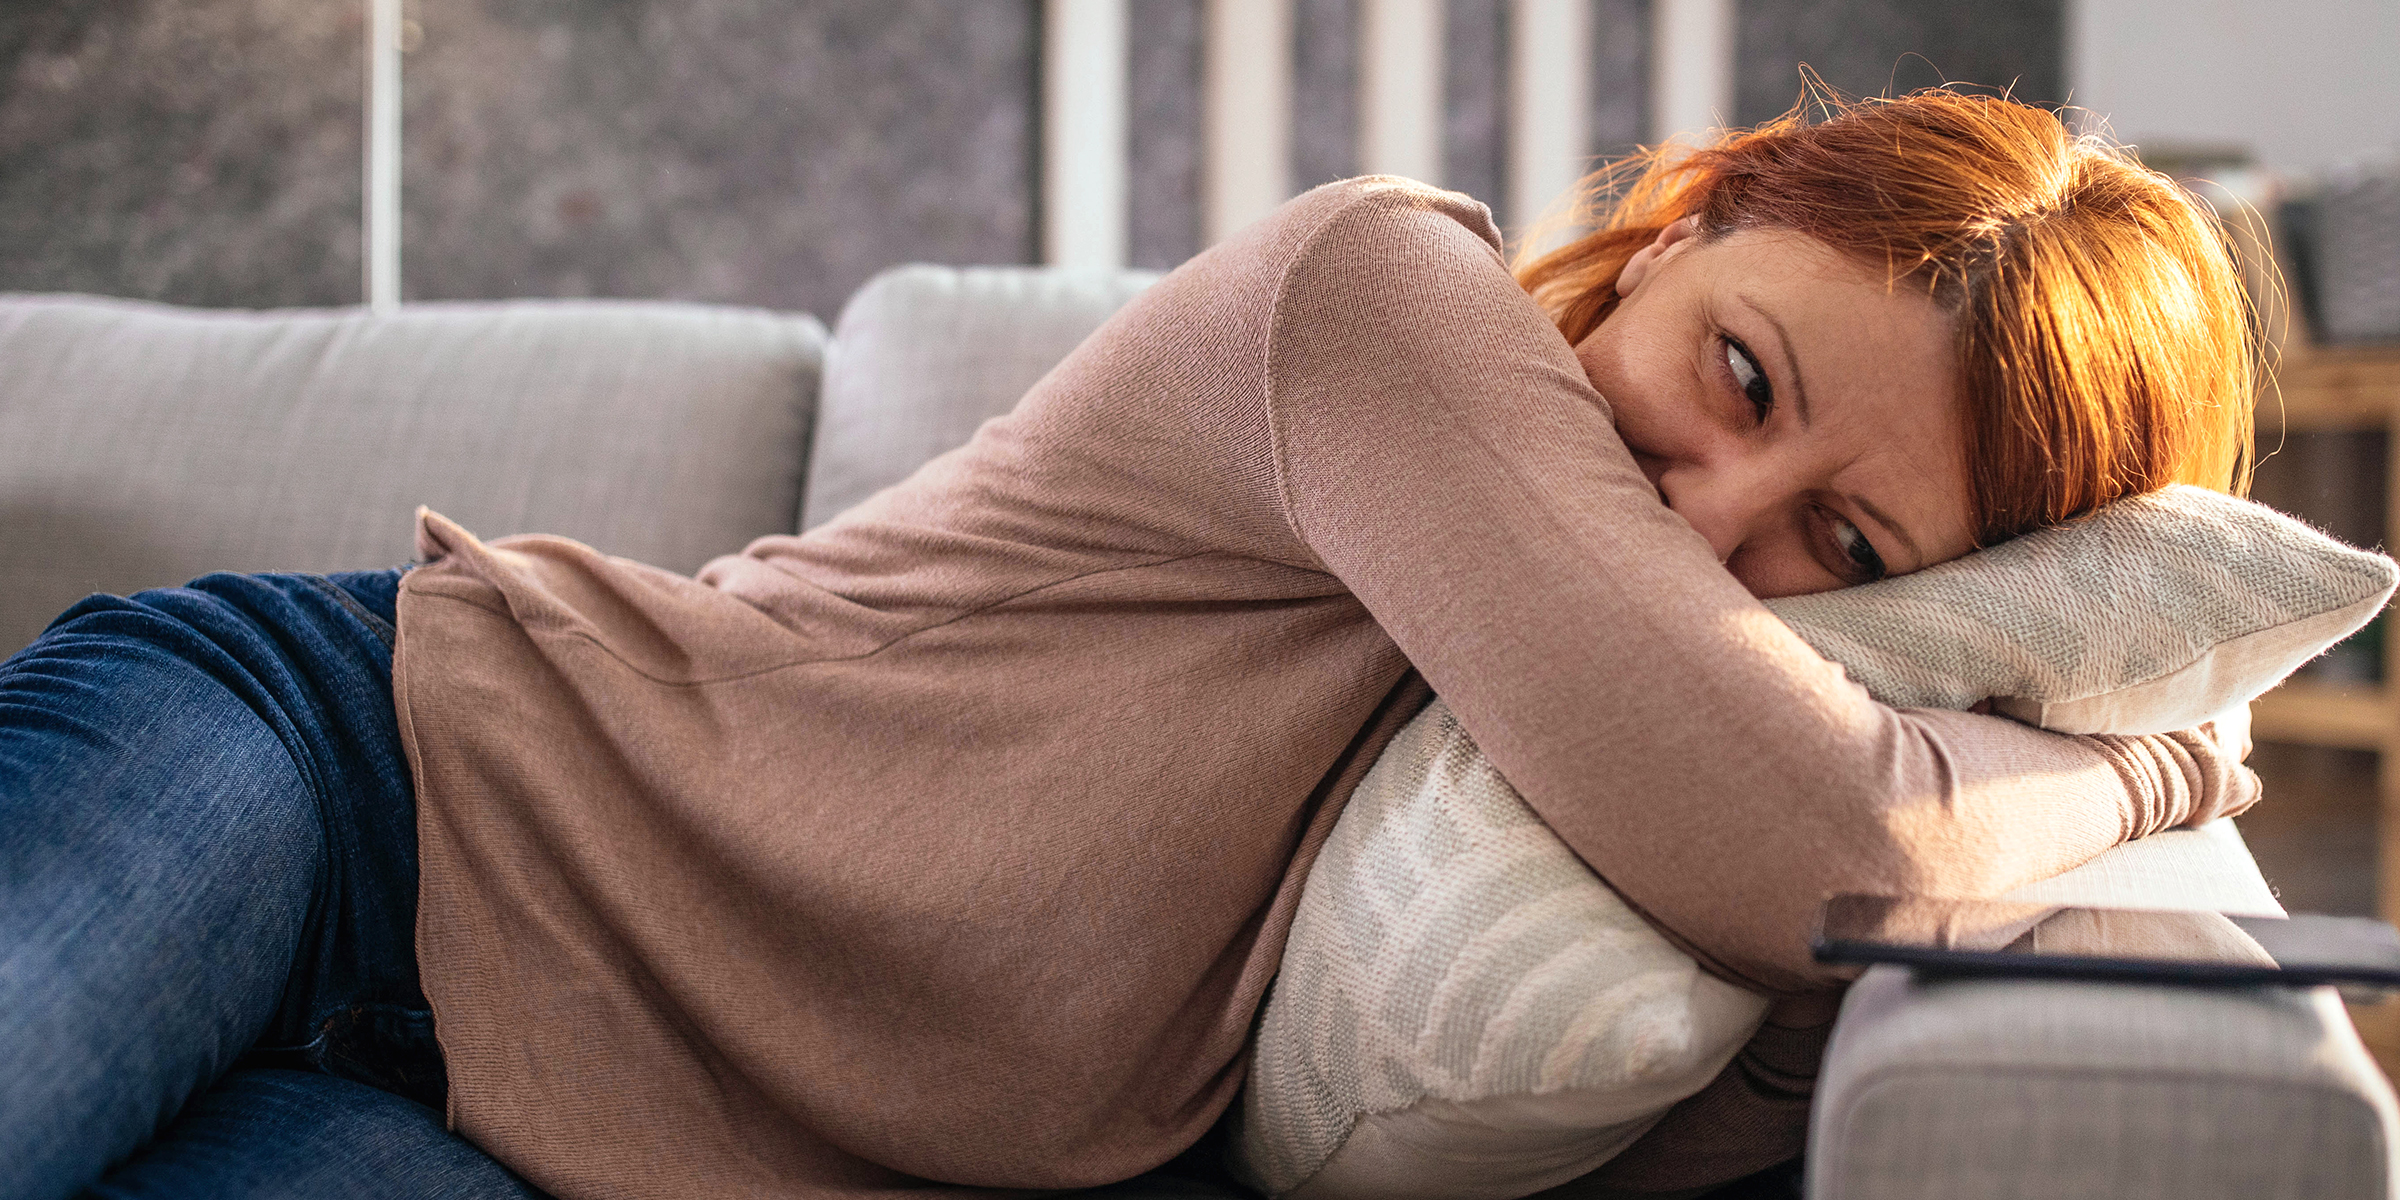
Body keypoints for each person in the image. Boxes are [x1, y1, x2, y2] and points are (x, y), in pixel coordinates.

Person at [2, 89, 2260, 1200]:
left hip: (548, 1137)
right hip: (361, 782)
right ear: (1691, 222)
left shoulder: (1625, 734)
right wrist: (2161, 766)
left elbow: (1757, 976)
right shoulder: (1383, 295)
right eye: (1741, 377)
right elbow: (1816, 841)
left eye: (1837, 540)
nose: (1709, 511)